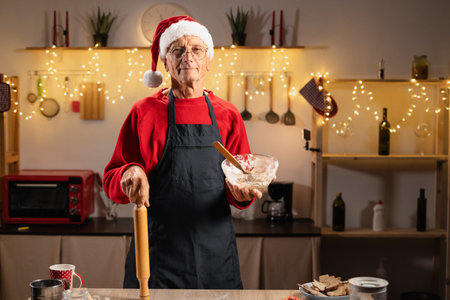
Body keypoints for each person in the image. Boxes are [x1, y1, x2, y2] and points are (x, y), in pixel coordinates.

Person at [103, 15, 262, 289]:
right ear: (165, 61)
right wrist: (130, 172)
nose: (188, 56)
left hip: (216, 258)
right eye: (178, 50)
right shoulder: (144, 112)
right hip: (157, 257)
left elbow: (241, 183)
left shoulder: (228, 115)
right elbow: (112, 180)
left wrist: (242, 192)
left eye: (196, 49)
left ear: (208, 60)